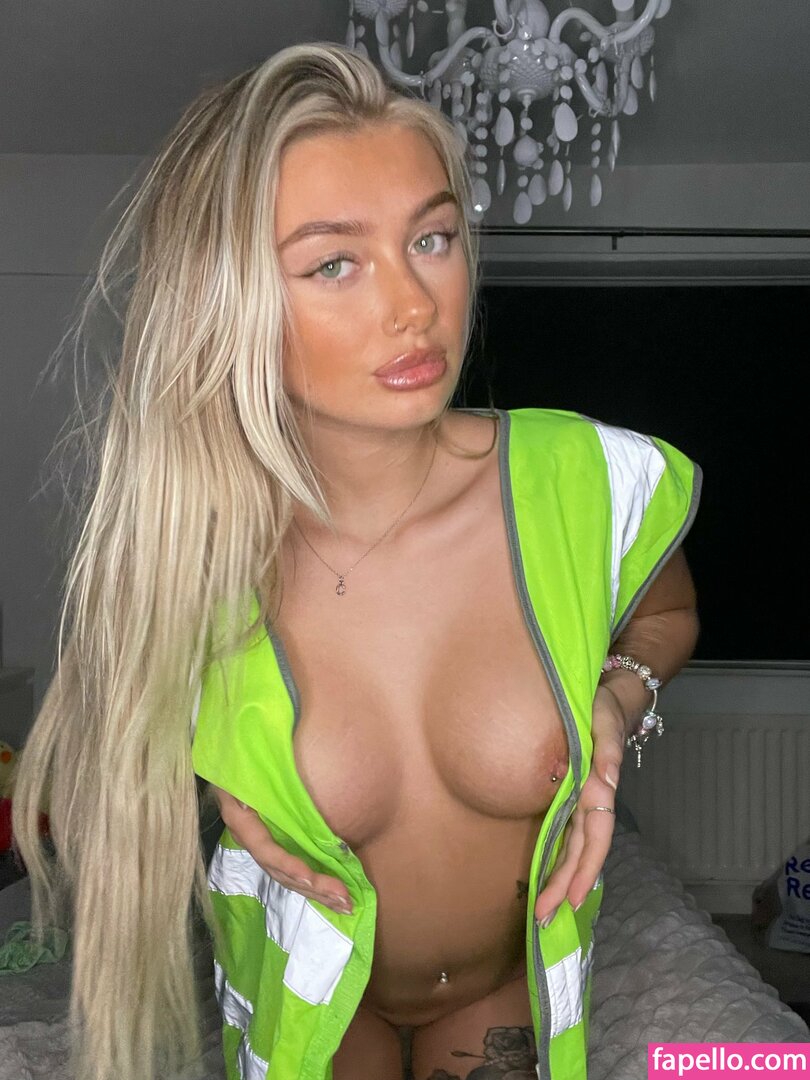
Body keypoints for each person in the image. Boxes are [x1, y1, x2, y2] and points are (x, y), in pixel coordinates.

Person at [13, 41, 701, 1080]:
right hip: (312, 1004)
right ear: (230, 300)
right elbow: (112, 747)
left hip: (504, 991)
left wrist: (616, 703)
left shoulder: (587, 481)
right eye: (335, 262)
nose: (414, 303)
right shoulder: (197, 548)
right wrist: (217, 775)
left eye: (432, 237)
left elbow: (666, 616)